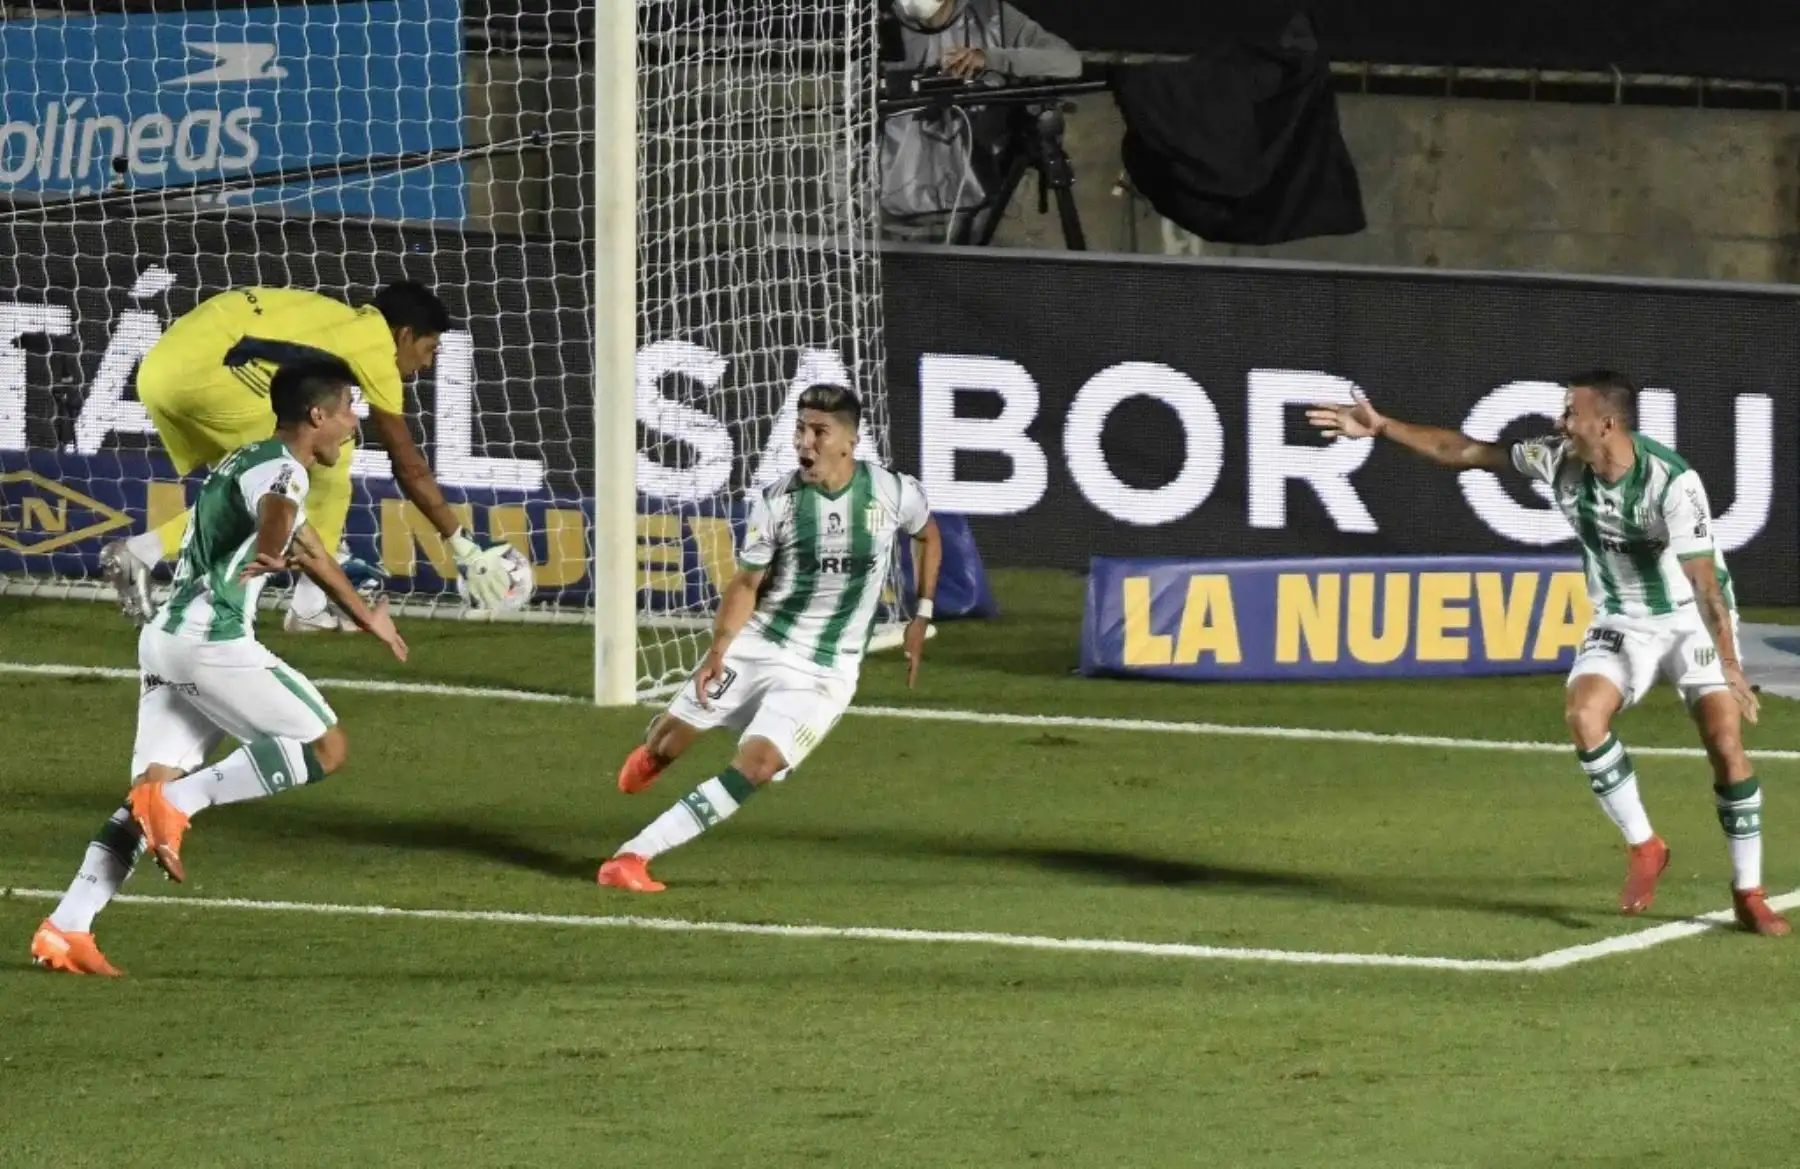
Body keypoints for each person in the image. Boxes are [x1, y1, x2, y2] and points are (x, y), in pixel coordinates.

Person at [1307, 371, 1789, 936]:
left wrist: (1730, 662)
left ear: (1605, 423)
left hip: (1687, 621)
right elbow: (1462, 450)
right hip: (1619, 618)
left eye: (1570, 412)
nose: (1560, 422)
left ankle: (1749, 893)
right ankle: (1646, 846)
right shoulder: (1555, 458)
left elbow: (1705, 585)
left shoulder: (1671, 483)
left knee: (1725, 744)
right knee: (1584, 715)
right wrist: (1383, 426)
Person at [30, 361, 410, 976]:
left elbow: (308, 547)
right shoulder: (284, 472)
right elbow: (280, 523)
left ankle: (67, 925)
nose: (353, 423)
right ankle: (182, 802)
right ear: (317, 416)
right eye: (346, 410)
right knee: (325, 746)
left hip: (164, 642)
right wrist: (271, 547)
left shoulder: (250, 458)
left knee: (139, 798)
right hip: (212, 645)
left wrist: (368, 618)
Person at [598, 383, 943, 892]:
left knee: (758, 765)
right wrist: (718, 650)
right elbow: (746, 583)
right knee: (669, 741)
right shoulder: (778, 502)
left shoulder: (894, 493)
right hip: (761, 643)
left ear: (849, 441)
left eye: (819, 431)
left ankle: (631, 857)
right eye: (801, 429)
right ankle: (656, 751)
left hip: (827, 668)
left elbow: (928, 535)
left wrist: (921, 613)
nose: (805, 442)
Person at [101, 281, 525, 632]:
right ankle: (301, 602)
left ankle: (308, 598)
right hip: (207, 374)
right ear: (404, 335)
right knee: (306, 464)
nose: (428, 365)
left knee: (264, 484)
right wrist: (461, 545)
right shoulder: (375, 345)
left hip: (160, 371)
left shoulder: (335, 322)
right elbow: (407, 464)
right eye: (429, 349)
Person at [880, 0, 1082, 243]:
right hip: (895, 207)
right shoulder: (878, 23)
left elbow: (1069, 62)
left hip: (976, 206)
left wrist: (990, 59)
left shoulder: (991, 16)